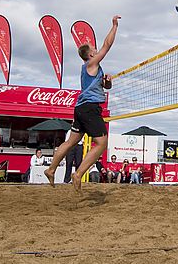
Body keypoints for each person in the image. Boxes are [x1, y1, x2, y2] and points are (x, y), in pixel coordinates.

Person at [44, 15, 121, 191]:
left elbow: (105, 87)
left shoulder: (91, 69)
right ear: (91, 54)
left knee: (71, 141)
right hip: (89, 109)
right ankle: (78, 174)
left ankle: (51, 169)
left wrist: (107, 81)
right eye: (94, 49)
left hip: (81, 108)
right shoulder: (91, 63)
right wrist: (114, 26)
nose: (96, 49)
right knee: (102, 144)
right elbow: (107, 45)